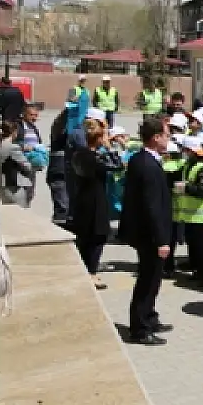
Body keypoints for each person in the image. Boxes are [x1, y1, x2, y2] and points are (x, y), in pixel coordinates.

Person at [118, 118, 174, 346]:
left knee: (154, 279)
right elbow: (151, 206)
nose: (169, 139)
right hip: (150, 235)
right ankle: (140, 328)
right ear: (156, 137)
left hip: (148, 233)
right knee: (148, 280)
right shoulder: (146, 165)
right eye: (166, 135)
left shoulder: (144, 160)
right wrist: (161, 240)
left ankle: (150, 317)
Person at [69, 117, 123, 290]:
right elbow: (118, 166)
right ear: (98, 138)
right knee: (98, 236)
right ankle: (91, 272)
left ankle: (85, 268)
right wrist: (110, 149)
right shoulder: (94, 157)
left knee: (85, 237)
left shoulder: (78, 154)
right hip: (95, 200)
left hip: (82, 199)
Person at [174, 136, 203, 288]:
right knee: (196, 247)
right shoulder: (191, 165)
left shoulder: (202, 167)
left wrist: (186, 188)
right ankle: (199, 272)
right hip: (193, 216)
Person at [0, 121, 34, 207]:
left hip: (1, 186)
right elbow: (27, 167)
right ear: (14, 132)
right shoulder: (13, 148)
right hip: (13, 188)